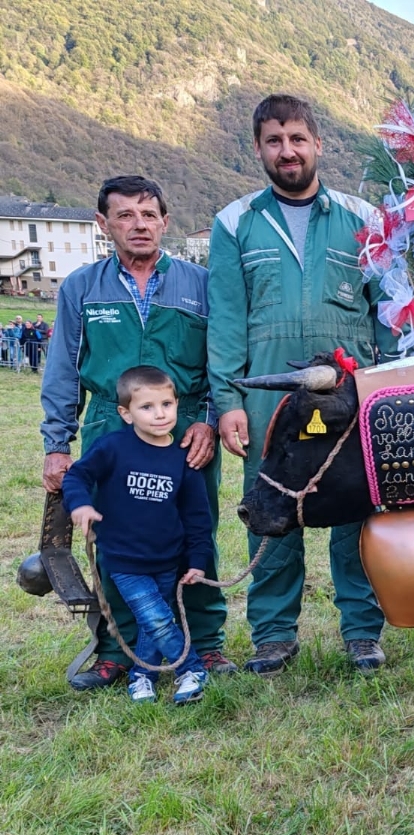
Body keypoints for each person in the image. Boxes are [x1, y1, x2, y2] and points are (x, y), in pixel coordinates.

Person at [207, 94, 397, 675]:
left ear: (318, 144)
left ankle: (363, 631)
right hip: (267, 402)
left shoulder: (364, 219)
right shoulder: (235, 222)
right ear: (259, 148)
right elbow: (226, 321)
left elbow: (387, 311)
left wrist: (388, 388)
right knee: (271, 511)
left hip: (352, 395)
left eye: (296, 139)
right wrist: (228, 404)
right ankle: (272, 634)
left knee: (355, 510)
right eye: (273, 141)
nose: (286, 151)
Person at [40, 175, 233, 691]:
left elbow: (222, 362)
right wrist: (57, 445)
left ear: (165, 222)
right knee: (113, 540)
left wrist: (209, 422)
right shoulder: (83, 287)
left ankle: (206, 644)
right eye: (125, 215)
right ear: (104, 225)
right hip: (110, 428)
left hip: (185, 429)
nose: (139, 225)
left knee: (196, 533)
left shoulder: (200, 284)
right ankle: (117, 651)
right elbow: (62, 369)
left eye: (148, 215)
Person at [61, 366, 213, 705]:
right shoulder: (112, 447)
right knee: (157, 618)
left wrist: (198, 560)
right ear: (125, 413)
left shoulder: (183, 460)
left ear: (176, 404)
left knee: (151, 622)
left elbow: (197, 518)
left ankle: (142, 675)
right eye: (147, 407)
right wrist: (81, 506)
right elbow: (77, 478)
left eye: (166, 405)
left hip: (167, 559)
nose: (159, 414)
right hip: (123, 559)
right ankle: (191, 668)